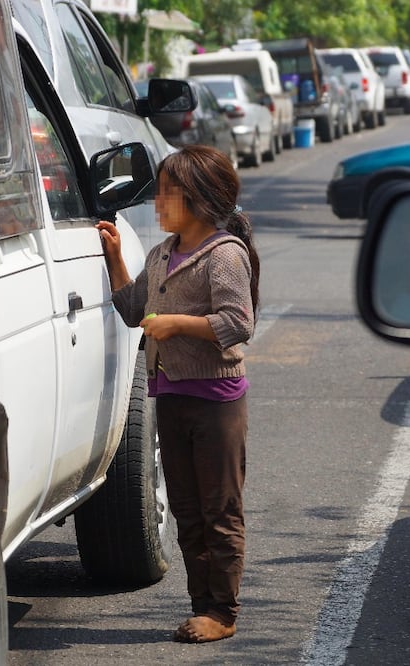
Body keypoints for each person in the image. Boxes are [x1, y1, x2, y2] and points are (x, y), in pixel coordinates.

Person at [96, 145, 259, 644]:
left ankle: (223, 612)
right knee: (187, 511)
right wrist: (114, 257)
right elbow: (132, 309)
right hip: (171, 396)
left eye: (166, 193)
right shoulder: (162, 253)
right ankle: (201, 606)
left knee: (220, 509)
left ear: (197, 199)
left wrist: (176, 324)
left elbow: (239, 323)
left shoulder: (224, 254)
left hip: (215, 401)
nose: (157, 202)